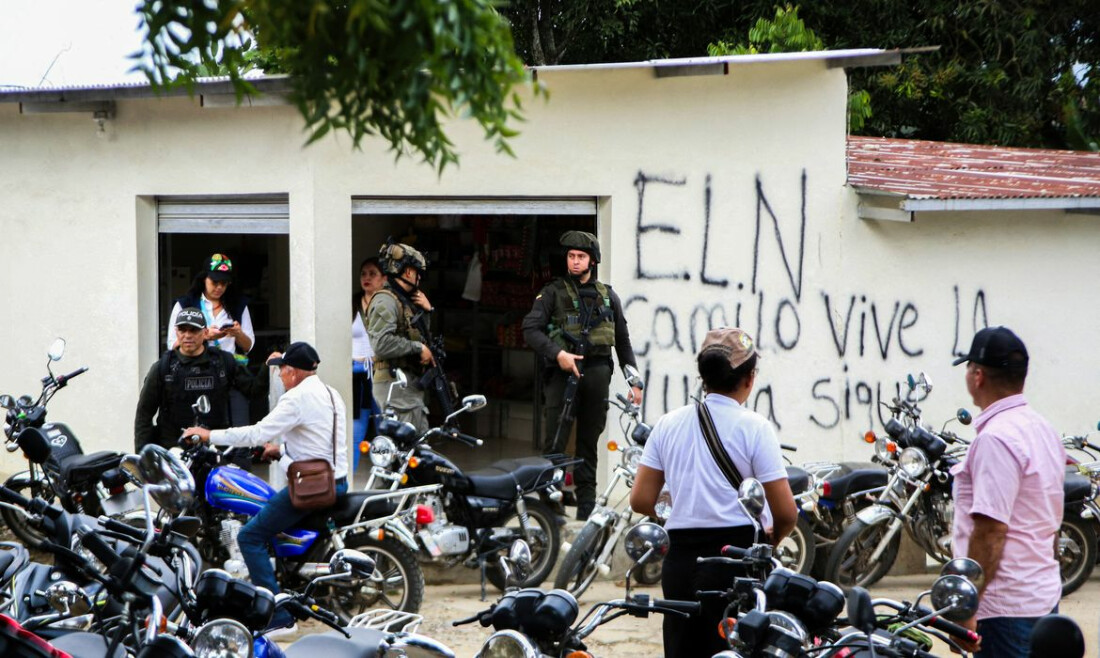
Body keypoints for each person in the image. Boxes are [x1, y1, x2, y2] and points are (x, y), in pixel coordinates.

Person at [630, 327, 797, 658]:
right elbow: (786, 513)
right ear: (749, 378)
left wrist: (680, 504)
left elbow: (640, 500)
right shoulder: (755, 428)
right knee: (730, 650)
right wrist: (771, 543)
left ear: (703, 377)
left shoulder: (667, 424)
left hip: (678, 560)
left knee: (681, 648)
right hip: (734, 558)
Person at [182, 341, 348, 633]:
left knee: (249, 536)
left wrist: (209, 435)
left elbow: (257, 432)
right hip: (337, 480)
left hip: (311, 487)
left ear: (293, 372)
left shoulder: (296, 398)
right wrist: (280, 452)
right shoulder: (331, 393)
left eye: (282, 371)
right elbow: (320, 446)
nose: (281, 377)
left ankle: (276, 614)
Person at [950, 326, 1064, 658]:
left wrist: (965, 609)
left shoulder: (996, 439)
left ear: (978, 376)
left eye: (969, 368)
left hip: (1005, 608)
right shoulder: (1043, 429)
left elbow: (990, 531)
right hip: (1040, 595)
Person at [522, 230, 642, 521]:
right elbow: (530, 329)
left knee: (589, 444)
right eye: (571, 256)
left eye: (581, 257)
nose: (575, 262)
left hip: (597, 374)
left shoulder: (607, 295)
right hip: (563, 376)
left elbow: (622, 341)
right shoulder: (552, 292)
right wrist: (557, 354)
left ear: (593, 261)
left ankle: (586, 508)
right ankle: (552, 506)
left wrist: (634, 381)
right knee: (555, 444)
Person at [134, 307, 249, 451]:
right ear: (176, 332)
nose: (187, 336)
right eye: (183, 330)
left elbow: (253, 390)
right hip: (173, 452)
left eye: (193, 330)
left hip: (215, 449)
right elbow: (144, 414)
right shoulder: (163, 367)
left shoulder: (223, 362)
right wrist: (142, 456)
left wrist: (271, 366)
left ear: (205, 333)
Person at [167, 253, 256, 426]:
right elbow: (173, 345)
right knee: (201, 424)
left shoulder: (238, 305)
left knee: (238, 425)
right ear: (203, 279)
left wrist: (238, 333)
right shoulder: (185, 304)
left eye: (224, 283)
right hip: (197, 373)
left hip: (231, 374)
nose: (219, 287)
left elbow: (249, 346)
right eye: (215, 282)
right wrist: (204, 337)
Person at [366, 242, 435, 433]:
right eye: (417, 272)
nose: (419, 277)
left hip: (404, 385)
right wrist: (418, 348)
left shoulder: (404, 301)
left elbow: (418, 335)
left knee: (417, 444)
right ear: (407, 273)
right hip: (394, 384)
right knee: (407, 447)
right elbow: (381, 343)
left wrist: (426, 311)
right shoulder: (386, 301)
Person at [352, 256, 384, 469]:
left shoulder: (388, 305)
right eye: (364, 273)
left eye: (373, 274)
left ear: (384, 278)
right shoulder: (352, 303)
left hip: (382, 372)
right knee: (356, 430)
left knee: (385, 429)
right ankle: (350, 482)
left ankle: (387, 478)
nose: (367, 278)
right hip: (356, 372)